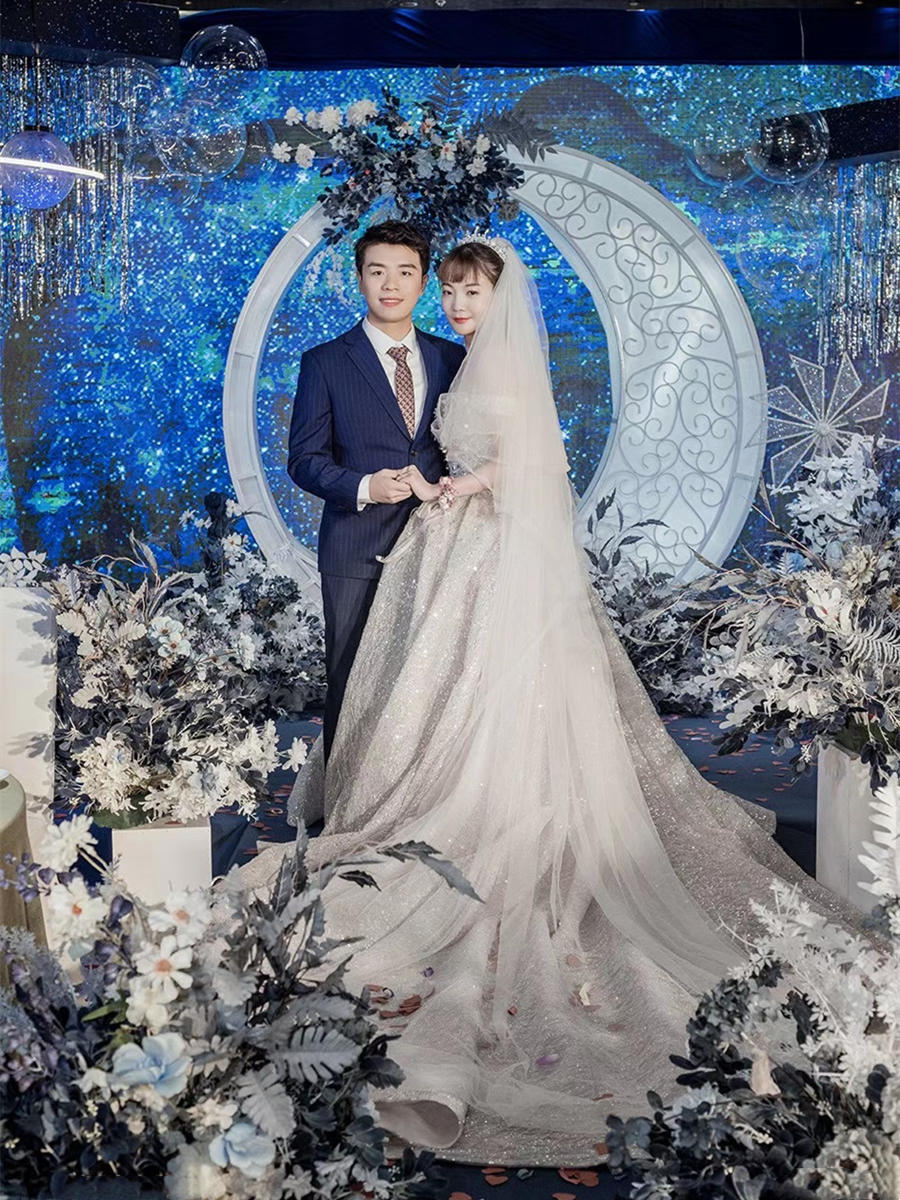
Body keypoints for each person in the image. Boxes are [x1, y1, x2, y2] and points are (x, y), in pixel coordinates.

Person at [248, 236, 862, 1165]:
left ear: (482, 293)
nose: (441, 299)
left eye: (450, 286)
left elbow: (534, 458)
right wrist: (386, 484)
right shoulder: (337, 360)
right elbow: (309, 459)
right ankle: (361, 800)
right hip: (395, 545)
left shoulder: (466, 358)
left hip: (474, 546)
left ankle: (472, 811)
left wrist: (470, 483)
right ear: (364, 279)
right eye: (430, 284)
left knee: (475, 698)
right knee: (378, 692)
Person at [287, 221, 465, 761]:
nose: (391, 284)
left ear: (424, 282)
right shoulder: (325, 361)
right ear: (360, 279)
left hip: (436, 547)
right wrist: (365, 485)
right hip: (356, 548)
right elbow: (304, 461)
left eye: (405, 272)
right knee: (351, 680)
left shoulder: (452, 359)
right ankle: (345, 795)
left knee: (430, 683)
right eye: (377, 271)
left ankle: (412, 794)